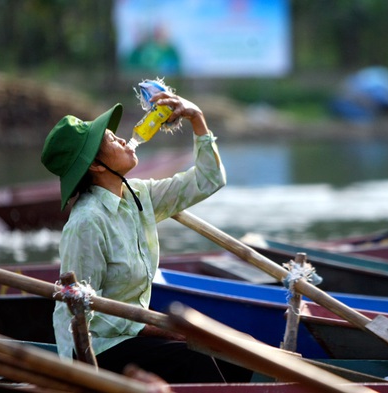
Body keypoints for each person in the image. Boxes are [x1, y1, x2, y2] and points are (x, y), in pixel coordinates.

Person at [41, 91, 249, 383]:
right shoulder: (87, 222)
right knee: (194, 358)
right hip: (96, 348)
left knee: (238, 353)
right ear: (96, 166)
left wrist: (195, 117)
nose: (124, 140)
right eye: (113, 141)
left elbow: (209, 179)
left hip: (134, 332)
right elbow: (86, 313)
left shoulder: (139, 195)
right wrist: (162, 329)